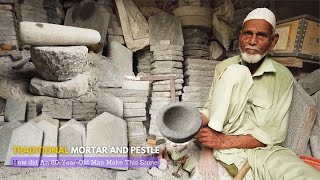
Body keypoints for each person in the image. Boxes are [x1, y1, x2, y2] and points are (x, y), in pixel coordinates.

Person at [196, 8, 320, 180]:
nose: (252, 41)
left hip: (262, 151)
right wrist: (198, 133)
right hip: (222, 148)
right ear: (240, 37)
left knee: (302, 174)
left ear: (273, 41)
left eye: (261, 35)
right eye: (247, 33)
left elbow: (274, 134)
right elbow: (212, 107)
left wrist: (223, 141)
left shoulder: (283, 77)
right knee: (236, 72)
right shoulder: (224, 68)